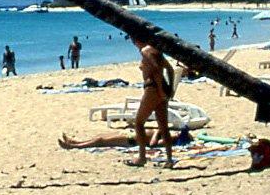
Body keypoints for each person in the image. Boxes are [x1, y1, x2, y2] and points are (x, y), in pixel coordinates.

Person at [126, 38, 175, 168]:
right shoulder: (157, 51)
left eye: (133, 41)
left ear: (137, 40)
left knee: (139, 123)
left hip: (153, 89)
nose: (134, 44)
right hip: (162, 88)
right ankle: (169, 160)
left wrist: (160, 90)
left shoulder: (145, 51)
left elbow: (156, 69)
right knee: (163, 126)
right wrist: (170, 88)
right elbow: (170, 70)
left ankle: (142, 157)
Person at [58, 127, 187, 150]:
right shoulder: (167, 134)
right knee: (100, 137)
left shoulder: (168, 140)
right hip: (130, 133)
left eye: (178, 133)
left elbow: (153, 144)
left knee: (100, 141)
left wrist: (158, 131)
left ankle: (73, 146)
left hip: (131, 140)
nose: (176, 132)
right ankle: (75, 142)